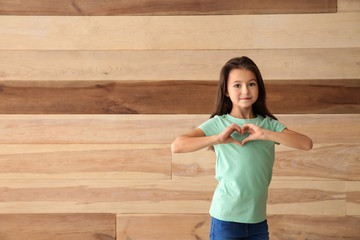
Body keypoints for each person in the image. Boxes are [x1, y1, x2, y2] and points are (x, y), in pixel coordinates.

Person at [171, 56, 313, 240]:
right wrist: (218, 138)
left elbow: (306, 143)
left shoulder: (268, 125)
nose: (245, 90)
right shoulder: (219, 123)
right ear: (226, 91)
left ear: (259, 87)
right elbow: (177, 146)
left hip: (258, 221)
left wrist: (265, 134)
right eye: (237, 85)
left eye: (251, 84)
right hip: (225, 219)